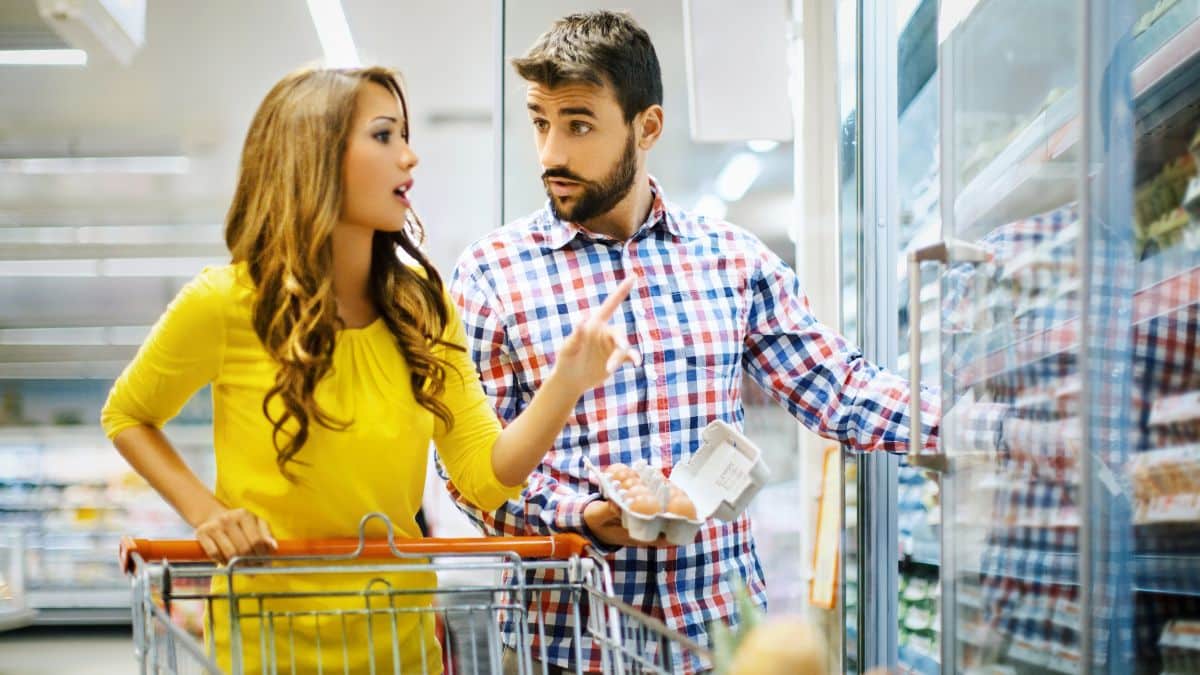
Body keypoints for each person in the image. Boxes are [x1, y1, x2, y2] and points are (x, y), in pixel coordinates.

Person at [439, 10, 942, 674]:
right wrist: (585, 515)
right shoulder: (491, 275)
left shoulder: (730, 260)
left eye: (578, 124)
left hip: (719, 638)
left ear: (646, 127)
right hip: (567, 642)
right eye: (540, 122)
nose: (551, 153)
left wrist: (961, 426)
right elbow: (473, 476)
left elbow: (837, 385)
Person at [100, 64, 638, 674]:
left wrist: (566, 382)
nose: (409, 157)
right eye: (384, 136)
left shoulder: (422, 306)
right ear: (316, 156)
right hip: (264, 646)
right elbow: (129, 414)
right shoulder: (227, 303)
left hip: (400, 644)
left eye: (404, 136)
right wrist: (209, 514)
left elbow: (489, 475)